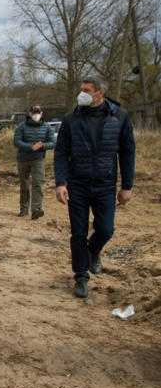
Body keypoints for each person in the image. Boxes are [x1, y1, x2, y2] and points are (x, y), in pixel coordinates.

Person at [54, 75, 135, 299]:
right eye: (81, 89)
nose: (81, 94)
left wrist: (127, 186)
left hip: (105, 183)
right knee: (78, 232)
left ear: (101, 93)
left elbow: (127, 152)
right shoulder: (72, 119)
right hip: (77, 184)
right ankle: (81, 276)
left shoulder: (119, 117)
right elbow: (61, 152)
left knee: (106, 229)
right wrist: (60, 182)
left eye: (86, 90)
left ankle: (93, 251)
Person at [14, 105, 56, 220]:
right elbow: (17, 141)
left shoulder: (47, 127)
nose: (36, 115)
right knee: (24, 184)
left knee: (38, 183)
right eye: (34, 113)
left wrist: (42, 146)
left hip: (38, 159)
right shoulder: (22, 126)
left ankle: (36, 209)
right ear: (30, 114)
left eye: (38, 112)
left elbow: (52, 143)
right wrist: (30, 147)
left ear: (41, 114)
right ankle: (23, 209)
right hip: (23, 159)